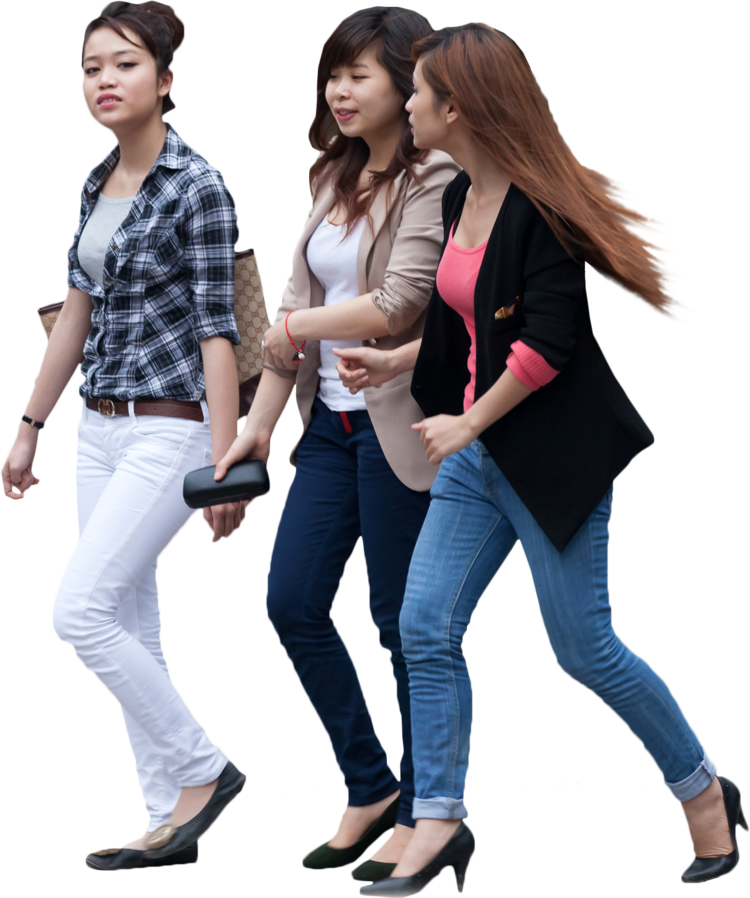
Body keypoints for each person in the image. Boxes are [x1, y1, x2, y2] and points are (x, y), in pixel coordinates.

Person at [332, 22, 747, 895]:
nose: (406, 102)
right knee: (423, 625)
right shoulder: (458, 201)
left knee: (584, 649)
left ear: (460, 106)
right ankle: (439, 819)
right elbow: (470, 320)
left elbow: (547, 346)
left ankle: (702, 787)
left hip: (550, 457)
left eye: (419, 90)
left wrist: (465, 421)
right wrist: (401, 362)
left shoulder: (540, 211)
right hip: (479, 456)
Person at [211, 6, 461, 884]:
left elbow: (395, 302)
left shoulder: (439, 177)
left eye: (359, 73)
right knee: (290, 602)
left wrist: (293, 329)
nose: (339, 89)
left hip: (404, 427)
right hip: (328, 430)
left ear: (408, 80)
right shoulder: (331, 174)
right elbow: (290, 317)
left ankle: (432, 812)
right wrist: (251, 431)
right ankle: (370, 783)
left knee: (402, 624)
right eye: (333, 73)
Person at [0, 1, 248, 871]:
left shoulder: (199, 186)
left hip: (170, 435)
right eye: (91, 67)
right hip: (95, 433)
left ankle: (204, 768)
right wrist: (31, 426)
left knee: (79, 612)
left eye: (125, 65)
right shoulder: (93, 182)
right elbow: (73, 315)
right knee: (131, 624)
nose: (104, 80)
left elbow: (222, 333)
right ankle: (162, 821)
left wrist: (234, 460)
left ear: (167, 81)